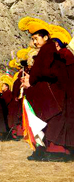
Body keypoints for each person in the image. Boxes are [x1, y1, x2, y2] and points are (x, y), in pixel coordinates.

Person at [19, 18, 74, 160]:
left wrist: (31, 81)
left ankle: (57, 152)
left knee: (55, 123)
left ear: (46, 37)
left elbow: (45, 71)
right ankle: (50, 150)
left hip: (58, 93)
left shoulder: (48, 50)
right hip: (58, 93)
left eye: (37, 38)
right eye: (33, 39)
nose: (35, 42)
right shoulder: (47, 49)